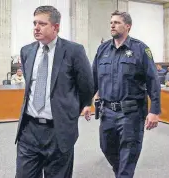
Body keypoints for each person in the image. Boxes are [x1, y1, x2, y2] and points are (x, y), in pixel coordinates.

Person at [14, 6, 94, 178]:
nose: (36, 27)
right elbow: (30, 87)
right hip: (29, 130)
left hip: (58, 132)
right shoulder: (26, 51)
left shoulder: (74, 51)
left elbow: (87, 88)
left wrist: (69, 113)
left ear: (56, 27)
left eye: (42, 24)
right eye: (35, 23)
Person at [86, 10, 161, 178]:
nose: (112, 25)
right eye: (111, 22)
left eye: (117, 22)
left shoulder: (141, 49)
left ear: (128, 26)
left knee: (129, 151)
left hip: (131, 112)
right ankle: (121, 173)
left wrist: (154, 111)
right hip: (107, 112)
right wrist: (85, 102)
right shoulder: (103, 49)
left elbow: (153, 81)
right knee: (106, 147)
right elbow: (94, 79)